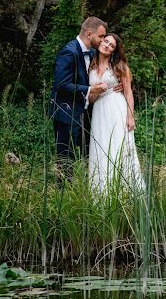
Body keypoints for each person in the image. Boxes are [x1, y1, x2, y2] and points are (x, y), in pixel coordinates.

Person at [49, 16, 109, 175]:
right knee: (65, 159)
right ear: (89, 34)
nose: (103, 40)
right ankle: (62, 194)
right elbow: (61, 85)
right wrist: (90, 90)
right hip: (66, 114)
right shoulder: (69, 52)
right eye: (101, 36)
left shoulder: (94, 53)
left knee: (89, 154)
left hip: (86, 114)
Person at [88, 33, 145, 194]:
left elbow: (128, 93)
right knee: (102, 149)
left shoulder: (120, 67)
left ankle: (126, 192)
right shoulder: (90, 65)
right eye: (105, 41)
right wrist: (96, 91)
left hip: (117, 109)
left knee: (119, 147)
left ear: (114, 50)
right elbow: (90, 98)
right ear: (101, 42)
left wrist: (130, 116)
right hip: (99, 112)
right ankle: (102, 193)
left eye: (111, 45)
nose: (106, 45)